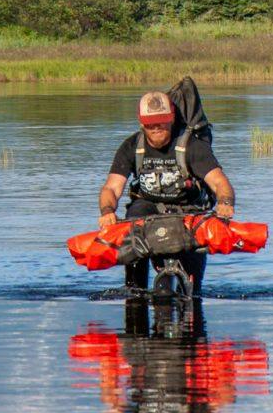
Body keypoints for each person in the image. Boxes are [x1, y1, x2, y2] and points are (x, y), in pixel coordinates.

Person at [97, 90, 236, 291]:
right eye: (150, 123)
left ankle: (190, 305)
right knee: (134, 219)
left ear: (171, 119)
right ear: (141, 122)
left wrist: (225, 203)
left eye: (161, 121)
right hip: (147, 211)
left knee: (193, 289)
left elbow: (219, 182)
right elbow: (111, 187)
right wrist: (107, 211)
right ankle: (135, 294)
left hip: (189, 213)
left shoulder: (192, 146)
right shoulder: (131, 146)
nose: (156, 128)